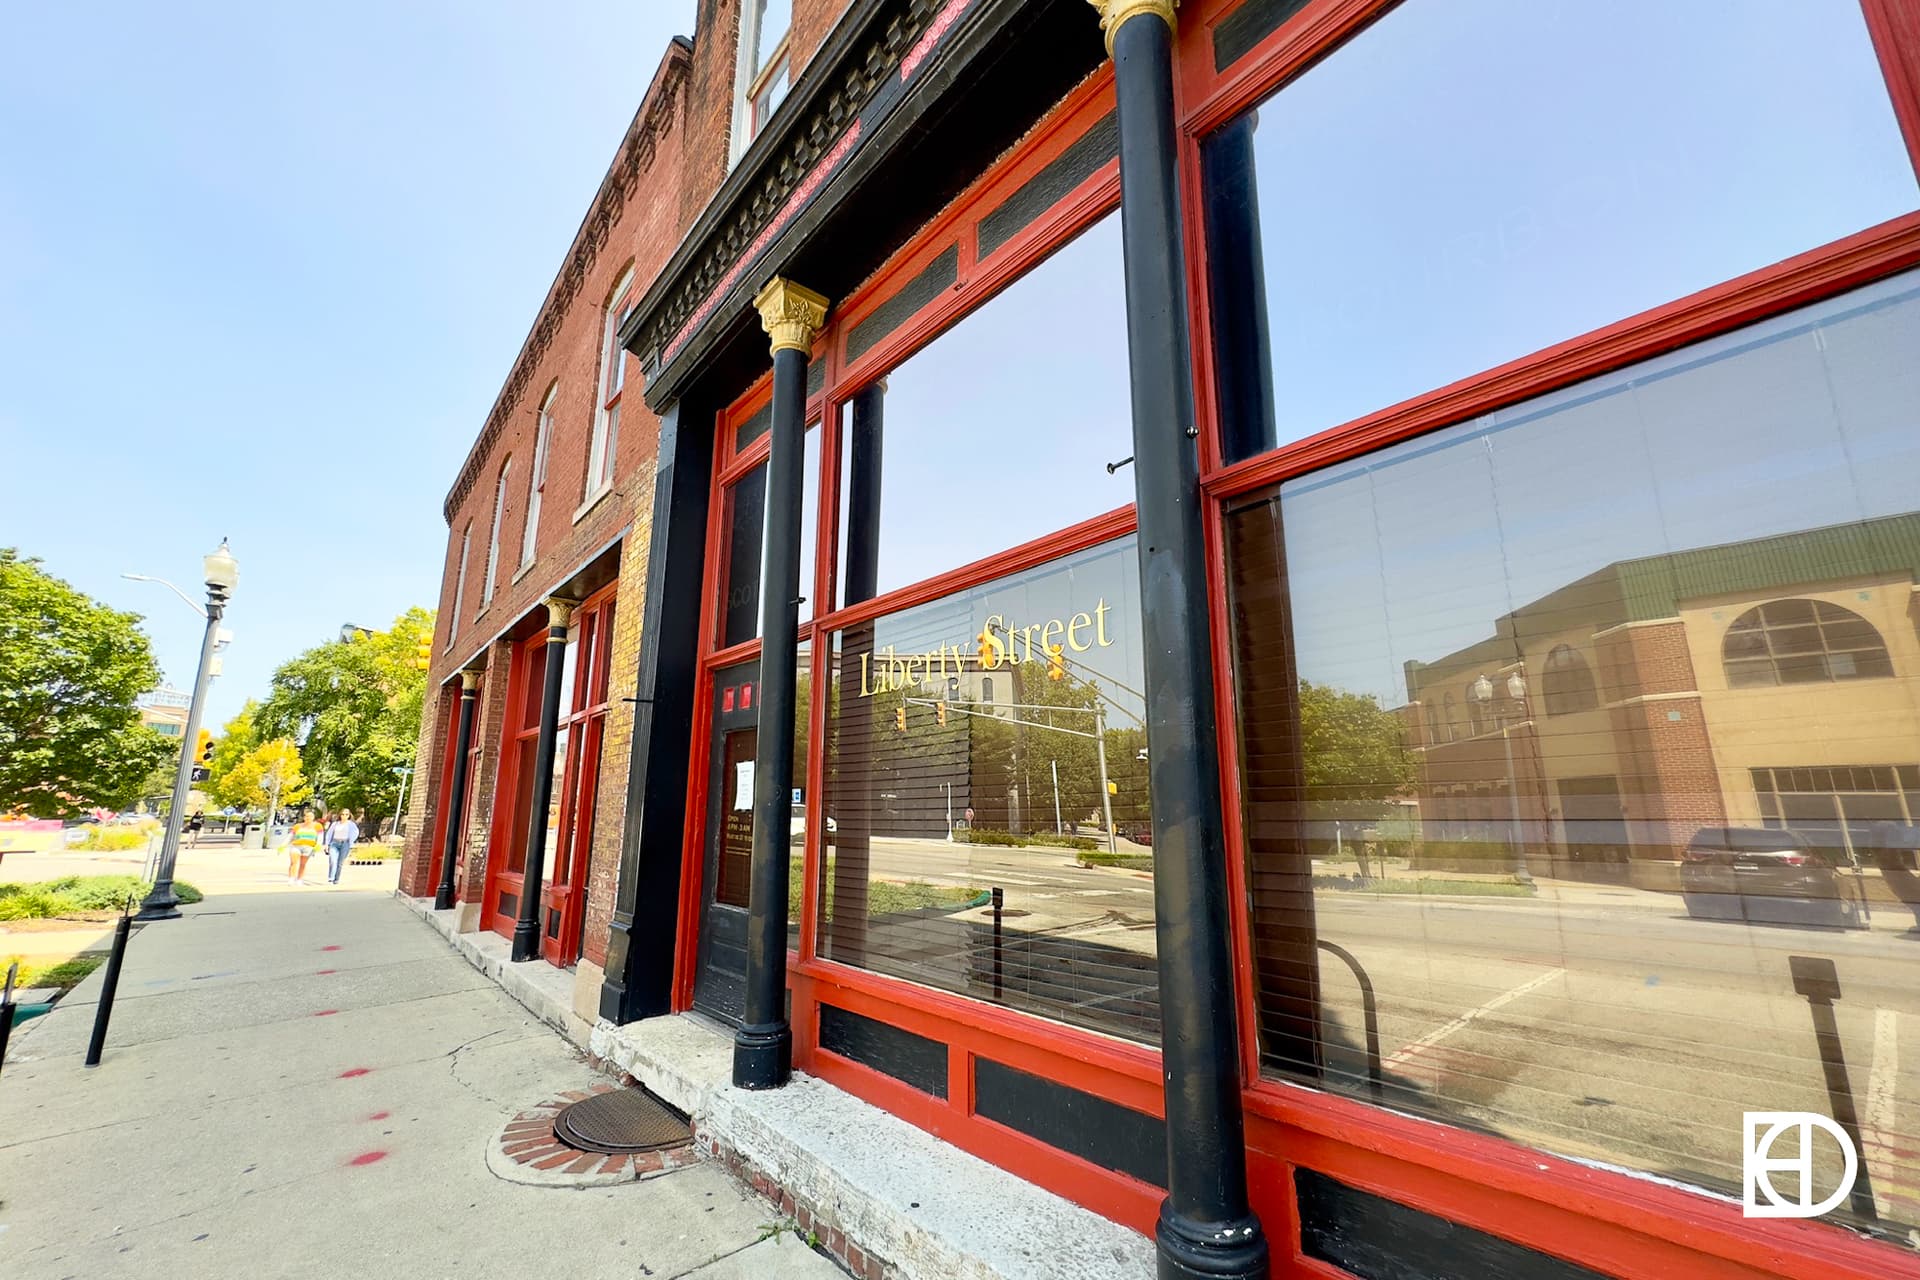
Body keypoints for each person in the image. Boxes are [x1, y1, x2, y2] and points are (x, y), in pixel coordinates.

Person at [324, 809, 360, 886]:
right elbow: (329, 834)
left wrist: (351, 841)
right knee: (333, 861)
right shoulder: (335, 824)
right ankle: (331, 878)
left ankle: (336, 879)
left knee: (340, 863)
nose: (344, 816)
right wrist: (327, 844)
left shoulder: (351, 824)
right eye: (342, 814)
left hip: (345, 844)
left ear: (349, 815)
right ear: (340, 815)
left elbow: (355, 833)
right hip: (334, 843)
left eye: (346, 814)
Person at [288, 810, 323, 885]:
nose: (308, 818)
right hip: (297, 846)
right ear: (304, 817)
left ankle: (299, 879)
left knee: (303, 864)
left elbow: (320, 837)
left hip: (308, 847)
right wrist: (283, 845)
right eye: (307, 816)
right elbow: (290, 836)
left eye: (310, 816)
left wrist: (318, 845)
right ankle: (291, 878)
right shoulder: (297, 826)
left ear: (313, 818)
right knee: (294, 862)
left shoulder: (317, 826)